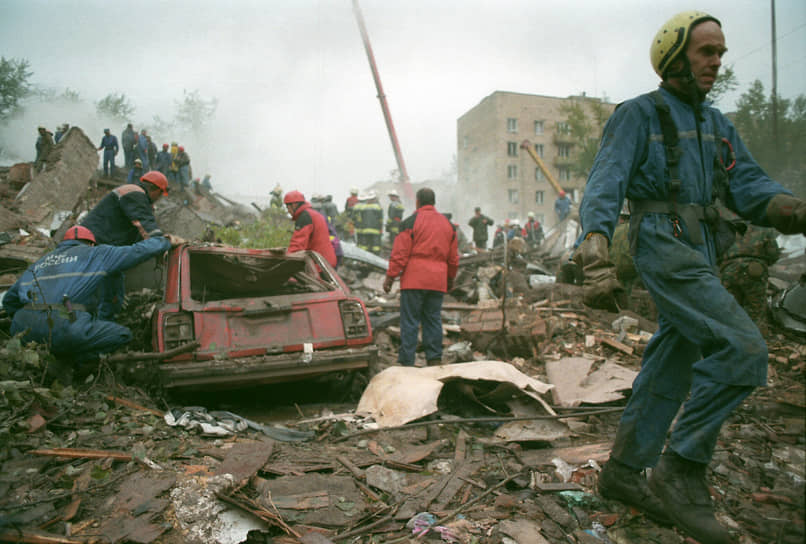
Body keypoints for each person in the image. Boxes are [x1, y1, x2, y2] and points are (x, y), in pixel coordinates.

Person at [575, 11, 806, 544]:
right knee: (745, 350)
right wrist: (595, 240)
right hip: (661, 239)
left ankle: (624, 471)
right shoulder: (639, 114)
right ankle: (680, 469)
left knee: (673, 360)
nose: (717, 62)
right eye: (707, 52)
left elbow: (747, 184)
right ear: (674, 55)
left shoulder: (717, 123)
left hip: (703, 246)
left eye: (721, 53)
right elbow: (606, 177)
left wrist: (790, 209)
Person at [2, 226, 180, 372]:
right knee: (122, 334)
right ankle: (78, 364)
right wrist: (165, 241)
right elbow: (136, 251)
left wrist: (28, 320)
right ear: (91, 244)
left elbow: (9, 301)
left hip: (23, 328)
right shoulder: (96, 254)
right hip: (63, 324)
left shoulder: (41, 262)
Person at [383, 188, 458, 366]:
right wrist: (450, 279)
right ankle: (434, 358)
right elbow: (453, 259)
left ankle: (407, 361)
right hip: (437, 280)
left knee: (410, 321)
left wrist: (390, 277)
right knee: (433, 320)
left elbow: (400, 254)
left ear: (417, 201)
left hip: (414, 280)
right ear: (434, 202)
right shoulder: (448, 225)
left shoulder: (410, 222)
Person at [719, 225, 780, 336]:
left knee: (731, 308)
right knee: (755, 309)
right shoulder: (763, 227)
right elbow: (773, 254)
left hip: (728, 270)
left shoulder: (726, 226)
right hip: (753, 269)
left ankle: (732, 338)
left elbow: (716, 250)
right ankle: (753, 341)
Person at [81, 170, 170, 246]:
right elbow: (146, 225)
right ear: (154, 189)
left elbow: (139, 234)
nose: (159, 198)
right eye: (160, 194)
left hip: (99, 240)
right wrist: (163, 243)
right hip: (92, 240)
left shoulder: (136, 195)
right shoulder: (135, 193)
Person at [283, 190, 338, 268]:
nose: (288, 210)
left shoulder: (304, 217)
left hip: (319, 264)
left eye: (287, 207)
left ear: (294, 205)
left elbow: (297, 246)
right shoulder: (312, 214)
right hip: (325, 261)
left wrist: (285, 262)